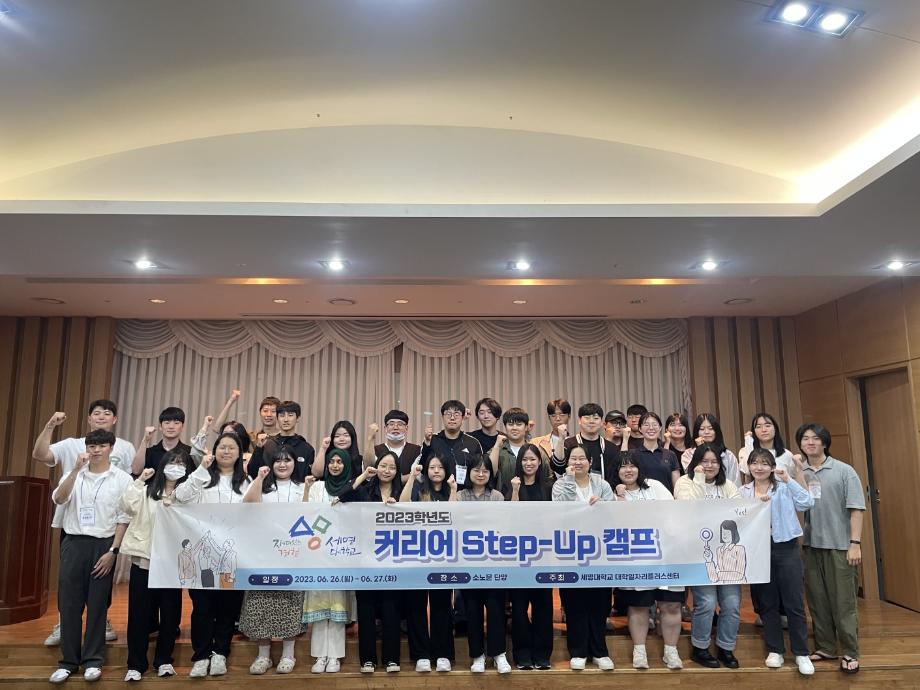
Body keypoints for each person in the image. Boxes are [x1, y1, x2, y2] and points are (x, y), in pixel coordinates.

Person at [33, 400, 135, 647]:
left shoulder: (125, 447)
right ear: (89, 419)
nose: (101, 417)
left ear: (115, 420)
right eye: (96, 413)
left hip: (106, 528)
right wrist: (50, 425)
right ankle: (64, 623)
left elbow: (130, 481)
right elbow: (40, 455)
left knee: (102, 582)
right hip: (73, 523)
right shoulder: (71, 444)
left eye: (107, 413)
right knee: (69, 583)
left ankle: (101, 622)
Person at [48, 430, 133, 685]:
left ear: (111, 448)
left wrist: (113, 552)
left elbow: (124, 518)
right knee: (69, 605)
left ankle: (93, 660)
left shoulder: (122, 478)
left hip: (104, 545)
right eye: (91, 446)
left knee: (97, 606)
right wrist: (75, 470)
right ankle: (68, 662)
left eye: (101, 446)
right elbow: (59, 498)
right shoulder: (73, 474)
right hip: (73, 542)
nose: (96, 450)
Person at [172, 432, 250, 677]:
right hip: (203, 559)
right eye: (222, 447)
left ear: (239, 454)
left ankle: (220, 653)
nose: (226, 451)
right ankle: (201, 655)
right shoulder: (202, 477)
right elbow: (179, 496)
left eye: (231, 448)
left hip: (233, 557)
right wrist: (200, 470)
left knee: (228, 607)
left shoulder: (246, 482)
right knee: (202, 607)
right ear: (214, 451)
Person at [120, 448, 196, 681]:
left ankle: (164, 660)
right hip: (144, 562)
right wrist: (139, 480)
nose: (176, 467)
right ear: (163, 465)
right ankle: (136, 664)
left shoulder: (188, 496)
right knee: (139, 616)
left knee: (170, 616)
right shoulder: (147, 491)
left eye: (181, 463)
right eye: (172, 462)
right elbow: (127, 506)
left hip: (172, 565)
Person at [796, 423, 865, 675]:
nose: (810, 442)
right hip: (811, 546)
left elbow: (856, 509)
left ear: (825, 442)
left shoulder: (844, 471)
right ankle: (826, 647)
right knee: (817, 600)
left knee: (843, 601)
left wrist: (855, 543)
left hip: (841, 546)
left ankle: (850, 651)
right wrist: (797, 472)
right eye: (805, 439)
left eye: (815, 438)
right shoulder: (800, 472)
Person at [741, 448, 815, 676]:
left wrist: (789, 479)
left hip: (786, 546)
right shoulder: (743, 491)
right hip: (758, 549)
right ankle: (775, 650)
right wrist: (754, 504)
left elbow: (807, 502)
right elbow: (736, 517)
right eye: (755, 463)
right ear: (749, 467)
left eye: (764, 463)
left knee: (794, 601)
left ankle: (801, 652)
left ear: (772, 467)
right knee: (767, 602)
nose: (759, 467)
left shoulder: (783, 487)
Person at [240, 447, 314, 675]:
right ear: (271, 465)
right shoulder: (264, 486)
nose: (283, 464)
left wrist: (307, 489)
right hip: (264, 555)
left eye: (287, 460)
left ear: (295, 463)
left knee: (290, 604)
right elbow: (248, 503)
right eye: (278, 461)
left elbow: (308, 514)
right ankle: (263, 656)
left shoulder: (301, 486)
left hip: (293, 555)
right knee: (261, 602)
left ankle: (288, 654)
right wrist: (259, 478)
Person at [675, 444, 742, 669]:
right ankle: (700, 648)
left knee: (731, 603)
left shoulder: (728, 485)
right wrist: (699, 479)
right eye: (704, 461)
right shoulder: (684, 482)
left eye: (714, 462)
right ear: (695, 463)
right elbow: (689, 508)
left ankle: (726, 647)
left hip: (728, 554)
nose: (709, 466)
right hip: (699, 552)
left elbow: (740, 510)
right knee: (706, 602)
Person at [613, 456, 683, 670]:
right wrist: (620, 497)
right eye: (623, 466)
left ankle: (671, 651)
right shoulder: (613, 494)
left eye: (632, 465)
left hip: (666, 555)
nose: (628, 470)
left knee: (671, 604)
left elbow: (673, 513)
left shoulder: (654, 486)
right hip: (635, 558)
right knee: (639, 605)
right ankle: (639, 650)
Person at [552, 445, 615, 671]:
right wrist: (569, 481)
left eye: (581, 458)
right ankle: (578, 651)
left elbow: (614, 512)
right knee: (575, 603)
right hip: (571, 550)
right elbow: (561, 510)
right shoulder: (560, 484)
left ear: (590, 462)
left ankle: (599, 652)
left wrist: (603, 505)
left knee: (600, 603)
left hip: (599, 551)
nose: (577, 462)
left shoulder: (602, 484)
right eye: (573, 458)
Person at [339, 452, 404, 673]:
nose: (387, 470)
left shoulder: (401, 492)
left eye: (392, 467)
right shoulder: (366, 490)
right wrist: (362, 476)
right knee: (365, 610)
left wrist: (398, 507)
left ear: (397, 471)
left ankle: (392, 659)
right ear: (376, 467)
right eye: (383, 465)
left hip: (393, 560)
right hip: (365, 558)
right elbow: (342, 496)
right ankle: (367, 659)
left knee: (390, 610)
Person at [452, 455, 510, 673]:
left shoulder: (497, 496)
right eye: (476, 470)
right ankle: (477, 655)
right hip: (468, 563)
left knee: (495, 609)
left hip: (493, 562)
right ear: (469, 473)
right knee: (473, 611)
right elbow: (452, 519)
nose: (480, 474)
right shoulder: (460, 495)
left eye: (485, 471)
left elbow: (503, 524)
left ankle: (499, 654)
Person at [400, 453, 458, 672]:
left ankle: (443, 654)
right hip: (417, 557)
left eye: (440, 467)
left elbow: (456, 516)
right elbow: (403, 505)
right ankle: (421, 654)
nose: (436, 471)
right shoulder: (418, 489)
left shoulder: (450, 491)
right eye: (432, 467)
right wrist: (412, 477)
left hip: (443, 559)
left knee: (442, 606)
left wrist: (453, 490)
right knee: (416, 606)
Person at [303, 448, 354, 673]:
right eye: (331, 461)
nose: (335, 465)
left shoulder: (351, 489)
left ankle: (334, 656)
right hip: (317, 553)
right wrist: (306, 489)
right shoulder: (317, 487)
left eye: (339, 462)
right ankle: (319, 656)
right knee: (318, 604)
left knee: (337, 606)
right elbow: (305, 513)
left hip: (341, 554)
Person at [506, 444, 554, 670]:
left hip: (543, 554)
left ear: (539, 462)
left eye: (533, 459)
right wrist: (515, 490)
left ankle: (542, 654)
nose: (528, 463)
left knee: (543, 607)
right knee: (519, 608)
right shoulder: (511, 486)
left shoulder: (549, 487)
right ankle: (522, 654)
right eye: (525, 459)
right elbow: (510, 516)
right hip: (518, 556)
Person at [549, 403, 621, 488]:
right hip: (573, 493)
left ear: (602, 422)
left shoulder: (611, 448)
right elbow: (557, 467)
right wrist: (561, 439)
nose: (591, 421)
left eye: (596, 418)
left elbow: (616, 475)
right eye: (587, 418)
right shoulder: (569, 444)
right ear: (579, 420)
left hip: (603, 493)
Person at [419, 400, 483, 488]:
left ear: (463, 418)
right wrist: (427, 443)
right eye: (448, 414)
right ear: (442, 417)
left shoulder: (473, 443)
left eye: (456, 414)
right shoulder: (432, 440)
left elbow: (480, 470)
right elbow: (423, 469)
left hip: (464, 493)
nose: (452, 418)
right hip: (438, 492)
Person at [248, 401, 315, 481]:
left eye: (290, 415)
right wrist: (259, 448)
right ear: (277, 418)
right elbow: (252, 472)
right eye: (282, 415)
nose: (286, 420)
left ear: (297, 418)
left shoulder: (306, 448)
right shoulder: (267, 445)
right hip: (270, 488)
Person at [628, 411, 680, 493]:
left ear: (660, 428)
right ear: (640, 429)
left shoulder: (670, 455)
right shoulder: (633, 454)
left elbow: (677, 487)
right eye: (646, 425)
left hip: (666, 499)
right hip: (642, 499)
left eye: (655, 424)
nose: (651, 428)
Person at [489, 407, 537, 495]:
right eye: (510, 424)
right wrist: (496, 446)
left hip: (531, 499)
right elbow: (489, 472)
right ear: (505, 427)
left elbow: (547, 476)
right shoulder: (497, 450)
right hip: (503, 500)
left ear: (526, 427)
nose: (514, 428)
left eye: (519, 424)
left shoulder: (535, 451)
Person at [133, 406, 191, 475]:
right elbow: (136, 471)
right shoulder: (151, 452)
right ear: (160, 426)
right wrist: (145, 440)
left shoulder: (190, 453)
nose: (171, 427)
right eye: (167, 423)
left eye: (176, 423)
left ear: (182, 427)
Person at [366, 409, 422, 482]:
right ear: (385, 428)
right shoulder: (375, 450)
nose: (395, 428)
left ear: (406, 428)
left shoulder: (417, 450)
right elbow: (368, 470)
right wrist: (371, 438)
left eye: (400, 424)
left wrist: (390, 480)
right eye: (391, 424)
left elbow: (419, 476)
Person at [739, 412, 797, 481]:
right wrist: (748, 442)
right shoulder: (745, 451)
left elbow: (793, 481)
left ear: (775, 428)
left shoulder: (787, 454)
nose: (764, 430)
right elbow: (747, 471)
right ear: (754, 431)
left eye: (768, 426)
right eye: (758, 427)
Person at [692, 413, 742, 487]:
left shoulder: (728, 455)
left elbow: (735, 482)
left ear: (716, 431)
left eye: (711, 428)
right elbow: (690, 476)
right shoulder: (689, 454)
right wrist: (700, 449)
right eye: (702, 429)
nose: (706, 432)